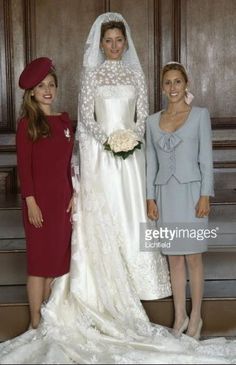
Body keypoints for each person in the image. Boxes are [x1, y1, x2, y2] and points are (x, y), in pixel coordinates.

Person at [0, 14, 236, 365]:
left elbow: (142, 116)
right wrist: (109, 141)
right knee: (102, 216)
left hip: (132, 156)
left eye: (119, 40)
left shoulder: (137, 75)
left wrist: (130, 139)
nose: (113, 46)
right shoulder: (92, 75)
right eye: (108, 40)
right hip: (102, 154)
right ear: (100, 43)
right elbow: (87, 118)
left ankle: (161, 293)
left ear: (126, 44)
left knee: (137, 215)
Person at [146, 61, 214, 340]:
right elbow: (150, 162)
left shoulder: (200, 115)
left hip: (192, 195)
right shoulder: (152, 121)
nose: (173, 87)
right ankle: (180, 316)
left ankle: (196, 317)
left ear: (185, 84)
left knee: (194, 258)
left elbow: (206, 160)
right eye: (168, 83)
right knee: (174, 260)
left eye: (177, 82)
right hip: (165, 196)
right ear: (162, 87)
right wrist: (150, 197)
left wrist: (205, 195)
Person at [16, 57, 74, 329]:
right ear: (32, 93)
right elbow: (24, 167)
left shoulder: (64, 122)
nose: (47, 90)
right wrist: (30, 202)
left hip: (62, 202)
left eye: (51, 84)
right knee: (38, 264)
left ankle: (49, 319)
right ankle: (34, 322)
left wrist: (73, 193)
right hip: (38, 204)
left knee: (56, 263)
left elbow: (68, 164)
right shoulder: (28, 124)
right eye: (41, 86)